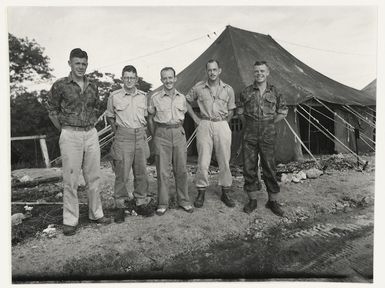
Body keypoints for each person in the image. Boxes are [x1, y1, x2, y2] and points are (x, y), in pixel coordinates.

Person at [46, 48, 111, 236]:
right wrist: (64, 129)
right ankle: (70, 220)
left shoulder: (93, 86)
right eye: (77, 63)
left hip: (90, 133)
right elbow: (51, 108)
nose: (81, 67)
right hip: (70, 134)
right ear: (70, 64)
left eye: (84, 64)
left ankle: (96, 214)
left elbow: (95, 107)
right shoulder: (60, 85)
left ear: (87, 64)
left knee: (94, 177)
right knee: (71, 179)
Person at [237, 61, 288, 217]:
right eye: (256, 71)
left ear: (268, 72)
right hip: (250, 133)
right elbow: (240, 112)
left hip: (268, 132)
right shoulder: (246, 92)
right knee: (249, 167)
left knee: (270, 167)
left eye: (262, 71)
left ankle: (272, 201)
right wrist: (251, 124)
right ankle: (252, 200)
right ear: (254, 73)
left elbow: (283, 112)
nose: (259, 74)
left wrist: (268, 123)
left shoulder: (276, 93)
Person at [105, 65, 155, 222]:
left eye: (132, 78)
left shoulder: (143, 96)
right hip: (123, 136)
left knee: (141, 172)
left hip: (140, 135)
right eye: (126, 77)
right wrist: (118, 133)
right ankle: (121, 205)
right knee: (122, 174)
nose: (129, 80)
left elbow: (148, 117)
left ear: (136, 79)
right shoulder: (114, 96)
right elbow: (111, 117)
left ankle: (141, 202)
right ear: (122, 78)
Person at [185, 59, 236, 208]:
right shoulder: (199, 87)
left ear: (219, 70)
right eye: (209, 70)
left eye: (215, 70)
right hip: (205, 123)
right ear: (206, 71)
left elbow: (232, 109)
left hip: (221, 123)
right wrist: (195, 118)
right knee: (203, 160)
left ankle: (225, 191)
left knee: (224, 159)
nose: (212, 73)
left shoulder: (228, 89)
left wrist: (225, 122)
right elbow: (186, 101)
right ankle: (201, 192)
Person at [148, 67, 194, 216]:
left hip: (178, 132)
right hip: (162, 133)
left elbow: (185, 114)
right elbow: (149, 118)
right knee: (162, 170)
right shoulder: (155, 98)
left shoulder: (182, 97)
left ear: (175, 79)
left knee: (181, 169)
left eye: (170, 78)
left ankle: (184, 200)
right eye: (165, 78)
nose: (168, 81)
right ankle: (162, 203)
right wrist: (155, 135)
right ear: (161, 80)